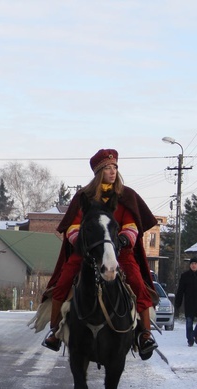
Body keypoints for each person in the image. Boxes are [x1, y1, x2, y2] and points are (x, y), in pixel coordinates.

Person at [36, 148, 159, 360]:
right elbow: (72, 227)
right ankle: (55, 331)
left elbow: (132, 225)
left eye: (115, 167)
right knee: (63, 281)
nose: (113, 171)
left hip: (119, 253)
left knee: (138, 283)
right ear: (98, 171)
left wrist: (123, 239)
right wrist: (81, 242)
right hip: (88, 252)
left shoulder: (126, 196)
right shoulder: (84, 197)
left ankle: (145, 334)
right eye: (108, 168)